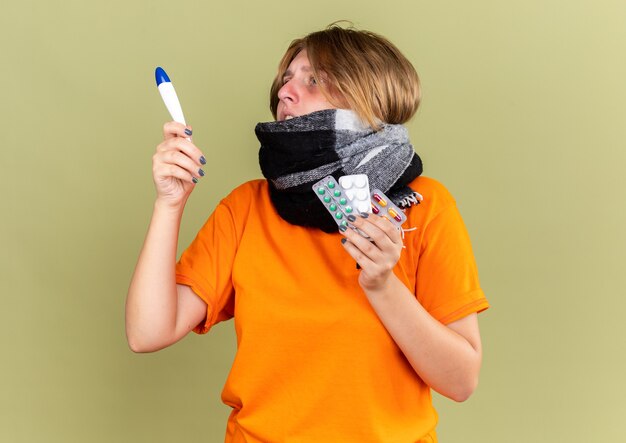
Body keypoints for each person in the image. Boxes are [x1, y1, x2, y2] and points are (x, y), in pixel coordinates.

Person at [126, 22, 489, 443]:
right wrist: (169, 204)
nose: (284, 90)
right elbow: (147, 332)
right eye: (286, 78)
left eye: (312, 79)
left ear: (367, 97)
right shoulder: (247, 208)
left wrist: (382, 286)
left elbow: (461, 381)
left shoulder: (426, 206)